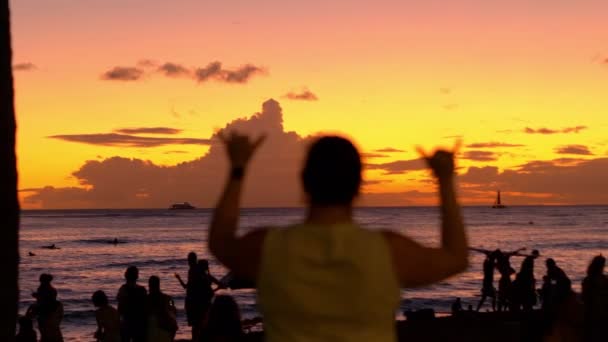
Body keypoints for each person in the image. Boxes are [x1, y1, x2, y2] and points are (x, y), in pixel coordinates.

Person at [208, 133, 468, 342]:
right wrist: (444, 180)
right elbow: (456, 258)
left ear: (304, 181)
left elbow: (220, 241)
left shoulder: (269, 247)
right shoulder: (388, 250)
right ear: (359, 185)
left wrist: (238, 169)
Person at [175, 252, 203, 341]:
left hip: (192, 300)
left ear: (191, 260)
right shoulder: (199, 270)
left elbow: (186, 287)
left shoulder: (192, 270)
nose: (188, 262)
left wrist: (178, 278)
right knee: (197, 324)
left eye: (189, 260)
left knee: (195, 325)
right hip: (198, 300)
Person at [29, 273, 64, 342]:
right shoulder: (51, 289)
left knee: (47, 334)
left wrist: (37, 298)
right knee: (52, 333)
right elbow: (48, 300)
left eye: (41, 279)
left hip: (47, 315)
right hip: (52, 313)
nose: (39, 281)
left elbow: (46, 302)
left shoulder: (43, 289)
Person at [117, 266, 148, 342]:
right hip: (140, 322)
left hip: (127, 322)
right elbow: (146, 307)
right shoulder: (142, 290)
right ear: (137, 276)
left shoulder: (123, 290)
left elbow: (120, 308)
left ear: (126, 276)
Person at [581, 255, 608, 342]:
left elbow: (584, 297)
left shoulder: (589, 279)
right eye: (603, 265)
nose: (603, 267)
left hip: (597, 312)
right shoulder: (595, 279)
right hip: (595, 312)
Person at [146, 276, 177, 342]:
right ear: (158, 285)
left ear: (149, 285)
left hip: (151, 332)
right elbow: (173, 312)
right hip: (164, 330)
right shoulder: (167, 298)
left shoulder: (145, 300)